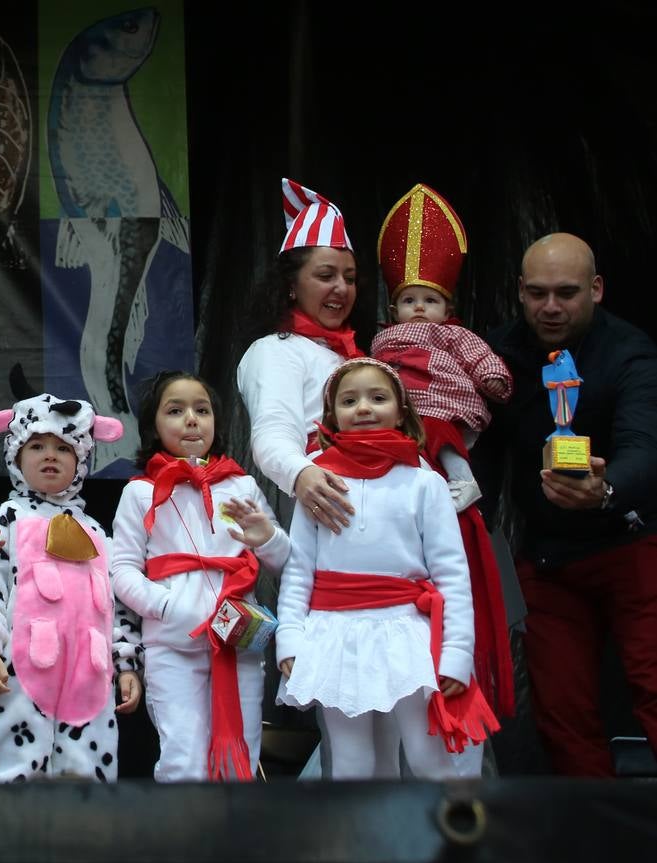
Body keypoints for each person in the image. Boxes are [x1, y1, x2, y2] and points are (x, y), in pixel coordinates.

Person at [474, 232, 657, 776]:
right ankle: (593, 844)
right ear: (520, 292)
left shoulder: (632, 352)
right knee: (561, 711)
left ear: (596, 289)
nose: (550, 306)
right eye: (537, 293)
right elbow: (476, 447)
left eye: (566, 292)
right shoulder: (497, 354)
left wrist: (604, 488)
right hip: (548, 561)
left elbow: (645, 448)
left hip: (632, 545)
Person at [277, 358, 496, 779]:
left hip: (407, 635)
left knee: (426, 756)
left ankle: (447, 842)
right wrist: (290, 638)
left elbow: (452, 575)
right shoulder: (317, 479)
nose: (363, 408)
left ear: (401, 411)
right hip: (334, 636)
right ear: (331, 416)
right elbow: (299, 569)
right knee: (352, 763)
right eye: (349, 400)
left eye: (378, 398)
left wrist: (455, 653)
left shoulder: (424, 482)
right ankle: (362, 845)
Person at [371, 184, 516, 747]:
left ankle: (463, 483)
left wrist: (494, 378)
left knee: (448, 444)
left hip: (447, 412)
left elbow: (482, 361)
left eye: (429, 302)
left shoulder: (455, 337)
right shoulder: (382, 342)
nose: (419, 310)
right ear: (393, 307)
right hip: (402, 424)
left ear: (448, 308)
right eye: (409, 301)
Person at [0, 378, 143, 782]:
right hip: (18, 677)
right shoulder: (2, 519)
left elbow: (119, 607)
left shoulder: (98, 533)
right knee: (9, 771)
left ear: (82, 462)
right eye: (37, 446)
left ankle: (77, 840)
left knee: (86, 777)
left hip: (89, 680)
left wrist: (126, 664)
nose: (51, 456)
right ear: (15, 456)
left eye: (65, 448)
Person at [110, 372, 289, 782]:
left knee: (238, 759)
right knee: (184, 761)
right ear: (153, 426)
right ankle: (185, 845)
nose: (191, 419)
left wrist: (268, 539)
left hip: (237, 642)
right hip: (173, 645)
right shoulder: (140, 492)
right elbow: (122, 569)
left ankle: (231, 845)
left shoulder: (241, 484)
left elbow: (282, 561)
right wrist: (170, 607)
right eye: (175, 410)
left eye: (202, 410)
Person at [236, 179, 363, 533]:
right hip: (328, 515)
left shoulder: (352, 355)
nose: (341, 287)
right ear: (291, 285)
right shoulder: (275, 350)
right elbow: (273, 432)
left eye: (349, 277)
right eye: (326, 275)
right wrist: (301, 472)